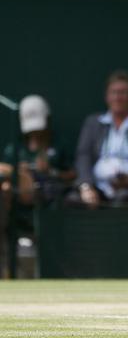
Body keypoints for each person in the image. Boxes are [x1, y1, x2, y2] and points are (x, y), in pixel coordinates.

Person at [1, 95, 74, 277]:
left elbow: (73, 173)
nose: (35, 132)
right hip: (18, 202)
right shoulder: (15, 148)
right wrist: (18, 170)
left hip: (50, 198)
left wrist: (51, 171)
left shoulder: (60, 144)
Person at [71, 70, 128, 208]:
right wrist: (86, 186)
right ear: (107, 97)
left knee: (123, 200)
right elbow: (83, 156)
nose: (118, 97)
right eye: (113, 92)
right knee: (73, 200)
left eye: (123, 92)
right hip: (97, 185)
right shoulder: (93, 123)